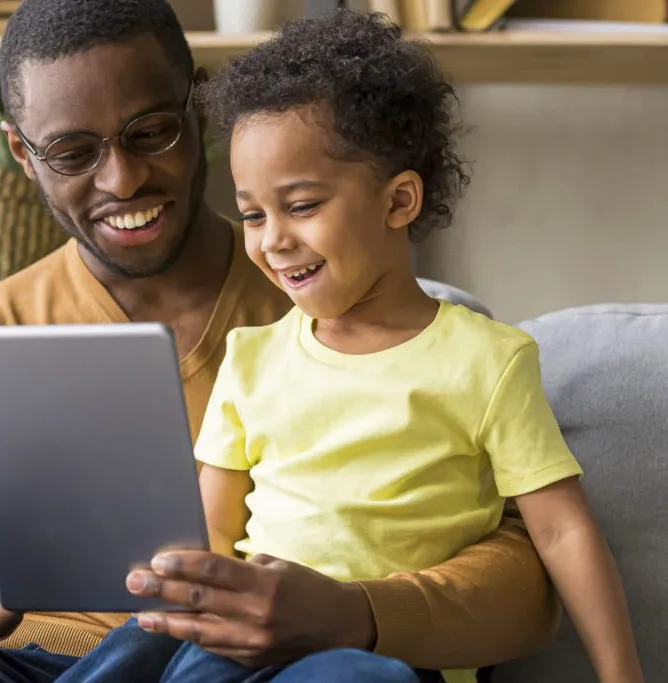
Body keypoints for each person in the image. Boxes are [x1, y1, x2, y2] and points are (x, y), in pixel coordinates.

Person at [0, 1, 564, 682]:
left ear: (196, 106)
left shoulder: (348, 307)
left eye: (149, 133)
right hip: (37, 664)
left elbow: (530, 581)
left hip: (264, 663)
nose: (122, 179)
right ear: (21, 153)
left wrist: (356, 611)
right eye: (73, 152)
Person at [102, 10, 645, 683]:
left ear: (398, 202)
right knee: (140, 641)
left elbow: (563, 532)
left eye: (302, 205)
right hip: (244, 645)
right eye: (252, 214)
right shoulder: (250, 358)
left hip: (381, 660)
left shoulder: (490, 361)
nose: (273, 239)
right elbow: (209, 537)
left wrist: (623, 674)